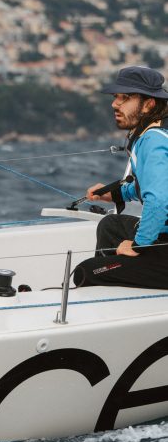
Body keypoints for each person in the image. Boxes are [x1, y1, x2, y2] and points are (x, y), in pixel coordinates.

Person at [73, 65, 168, 289]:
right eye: (116, 97)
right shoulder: (157, 131)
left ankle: (119, 294)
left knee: (86, 272)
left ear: (148, 104)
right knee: (111, 225)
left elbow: (159, 201)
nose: (115, 104)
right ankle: (124, 278)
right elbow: (152, 184)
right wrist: (113, 193)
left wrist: (138, 245)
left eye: (125, 98)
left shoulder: (154, 141)